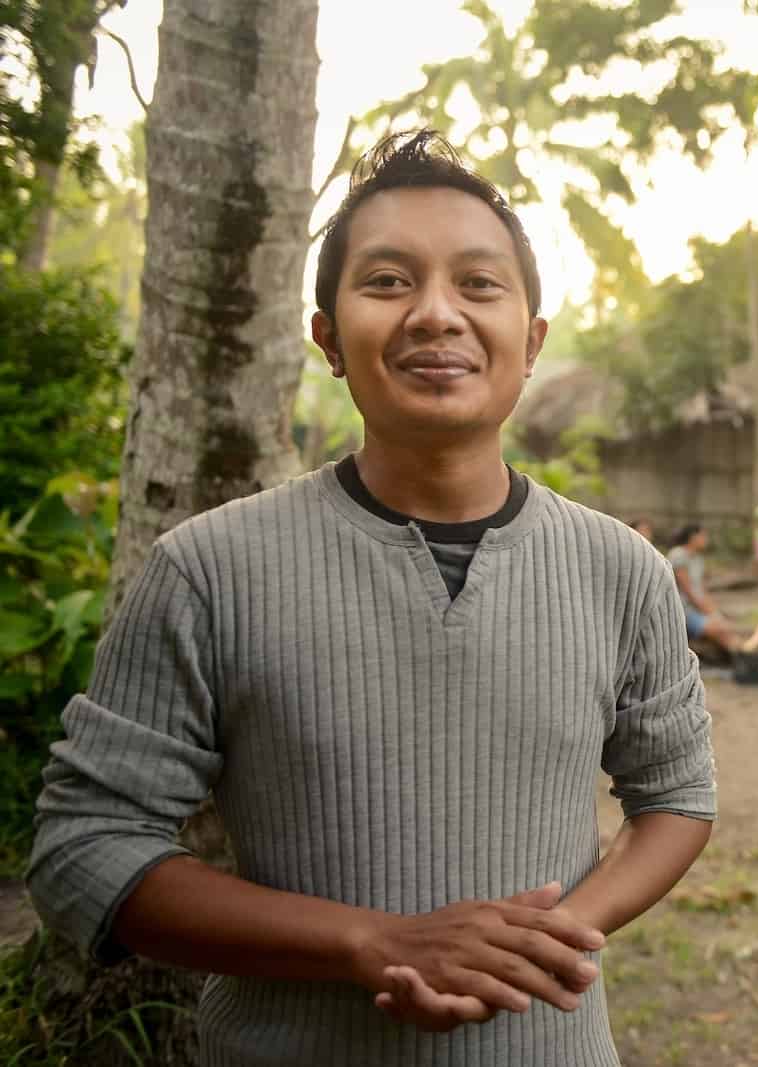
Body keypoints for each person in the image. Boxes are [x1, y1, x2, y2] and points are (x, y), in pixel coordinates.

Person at [26, 131, 716, 1066]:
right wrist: (372, 944)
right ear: (327, 340)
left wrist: (538, 943)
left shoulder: (619, 568)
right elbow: (84, 847)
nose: (437, 314)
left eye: (479, 284)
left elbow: (676, 797)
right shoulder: (208, 569)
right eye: (388, 281)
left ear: (531, 341)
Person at [669, 524, 743, 655]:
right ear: (693, 537)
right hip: (681, 610)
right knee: (719, 627)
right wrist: (712, 614)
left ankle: (740, 649)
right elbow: (689, 592)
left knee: (723, 625)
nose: (706, 539)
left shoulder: (698, 559)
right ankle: (742, 650)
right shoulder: (678, 555)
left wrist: (715, 612)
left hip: (695, 609)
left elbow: (702, 592)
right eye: (703, 535)